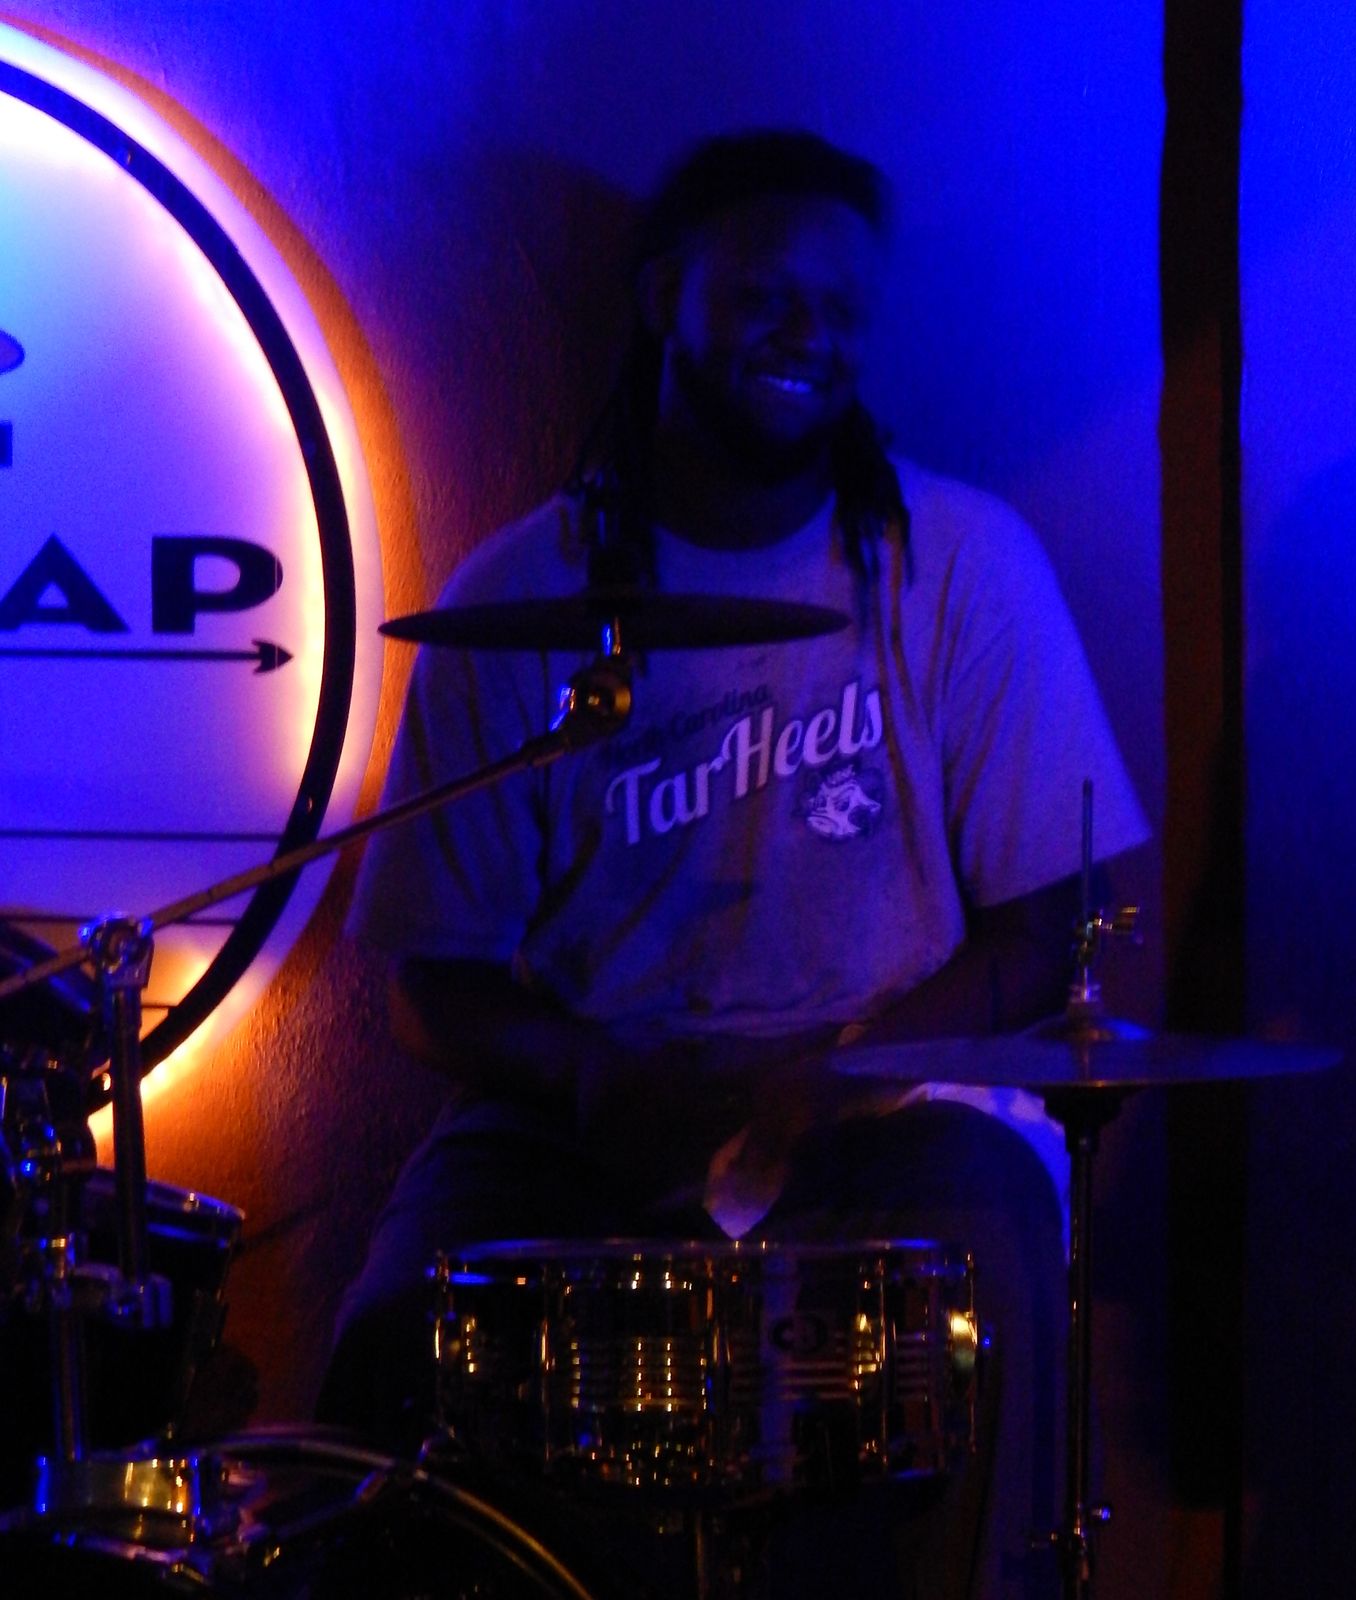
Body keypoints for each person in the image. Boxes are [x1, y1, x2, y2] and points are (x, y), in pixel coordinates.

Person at [323, 129, 1147, 1599]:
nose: (806, 335)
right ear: (665, 298)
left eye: (840, 309)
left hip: (890, 1109)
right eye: (766, 296)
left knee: (980, 1288)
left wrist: (836, 1073)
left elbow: (1050, 920)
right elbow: (429, 985)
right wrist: (597, 1082)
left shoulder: (963, 563)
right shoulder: (519, 597)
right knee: (392, 1342)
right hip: (581, 1119)